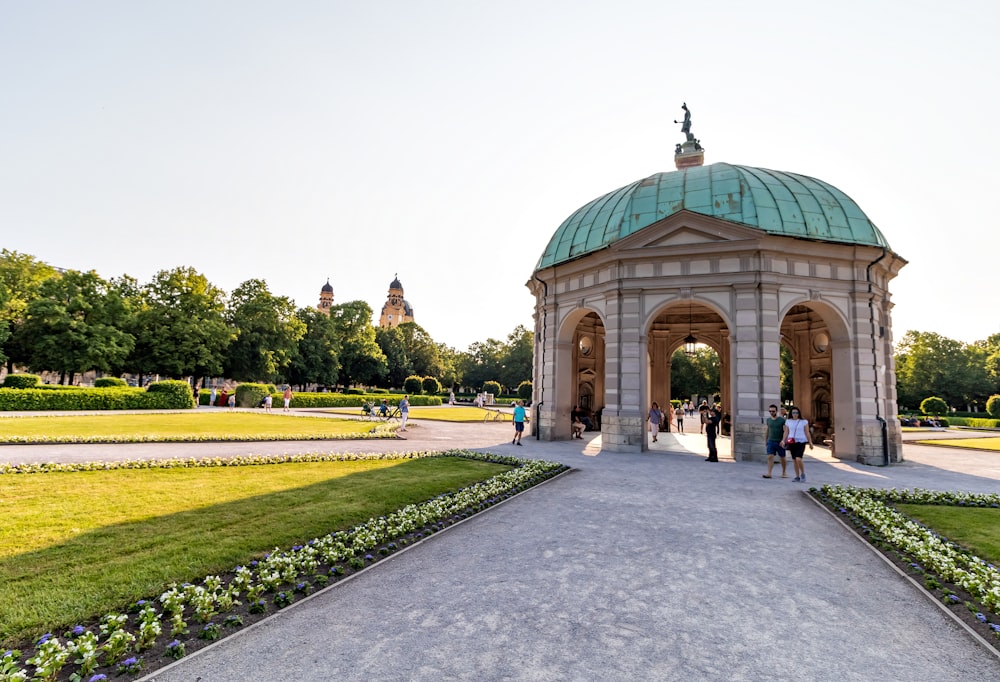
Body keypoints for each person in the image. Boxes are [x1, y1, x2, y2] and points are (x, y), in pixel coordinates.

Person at [782, 406, 814, 482]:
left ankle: (802, 473)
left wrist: (810, 442)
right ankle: (797, 476)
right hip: (792, 442)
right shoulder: (788, 421)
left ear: (799, 413)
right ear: (791, 413)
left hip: (801, 441)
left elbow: (807, 432)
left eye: (796, 412)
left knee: (798, 458)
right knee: (794, 460)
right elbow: (786, 431)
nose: (795, 414)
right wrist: (783, 440)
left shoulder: (804, 421)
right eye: (793, 412)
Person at [762, 404, 787, 479]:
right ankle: (769, 473)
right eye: (770, 411)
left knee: (782, 457)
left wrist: (784, 440)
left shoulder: (782, 420)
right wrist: (766, 440)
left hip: (780, 441)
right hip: (771, 441)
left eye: (773, 411)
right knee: (770, 456)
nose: (771, 413)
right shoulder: (768, 420)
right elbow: (768, 430)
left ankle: (784, 472)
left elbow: (785, 431)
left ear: (776, 411)